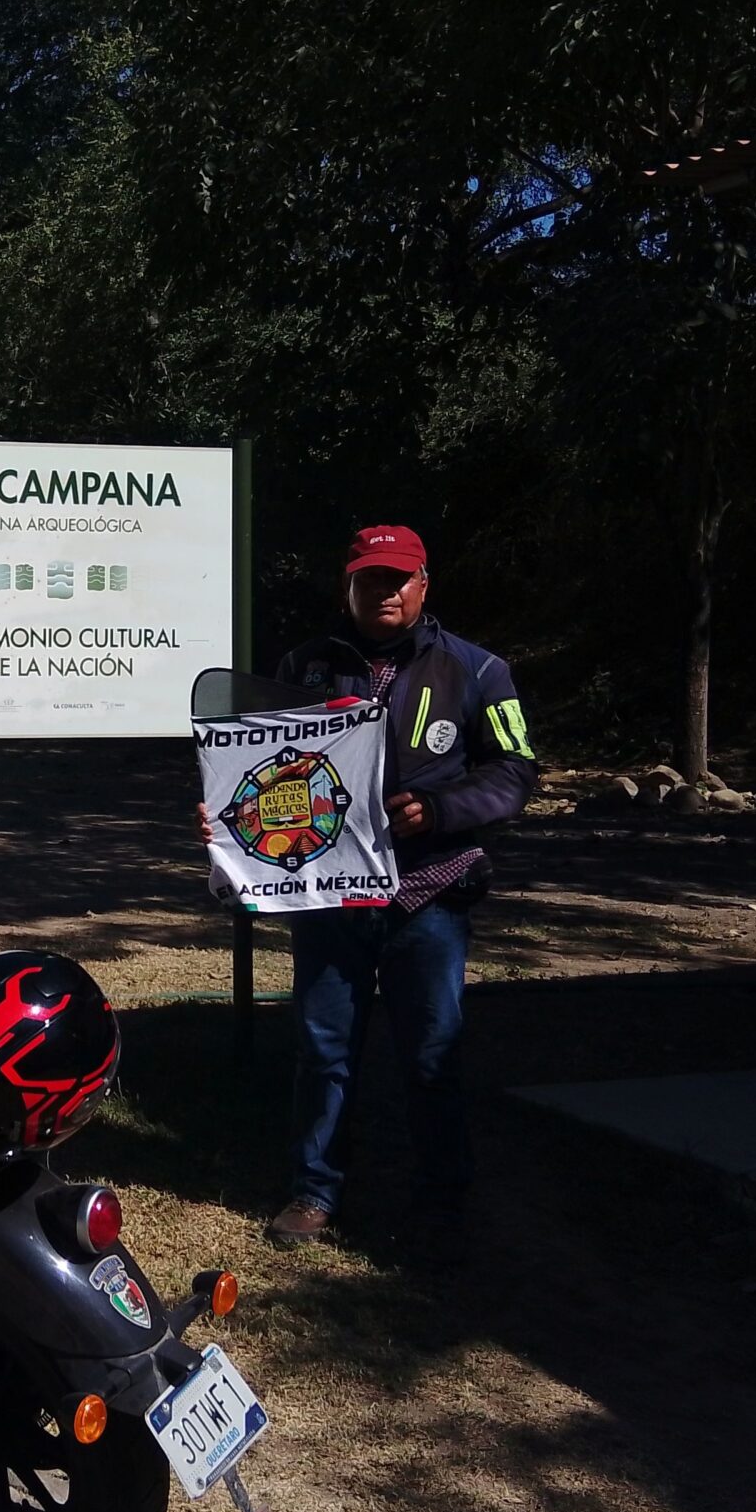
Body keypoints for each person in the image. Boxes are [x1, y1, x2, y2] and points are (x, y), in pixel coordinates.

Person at [197, 523, 536, 1261]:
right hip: (331, 895)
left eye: (398, 579)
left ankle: (444, 1193)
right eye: (369, 579)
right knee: (322, 1048)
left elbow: (515, 772)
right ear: (345, 587)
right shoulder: (302, 666)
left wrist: (444, 810)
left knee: (432, 1051)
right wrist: (226, 818)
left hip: (431, 894)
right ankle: (315, 1189)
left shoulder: (479, 671)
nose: (384, 591)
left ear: (424, 585)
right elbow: (260, 769)